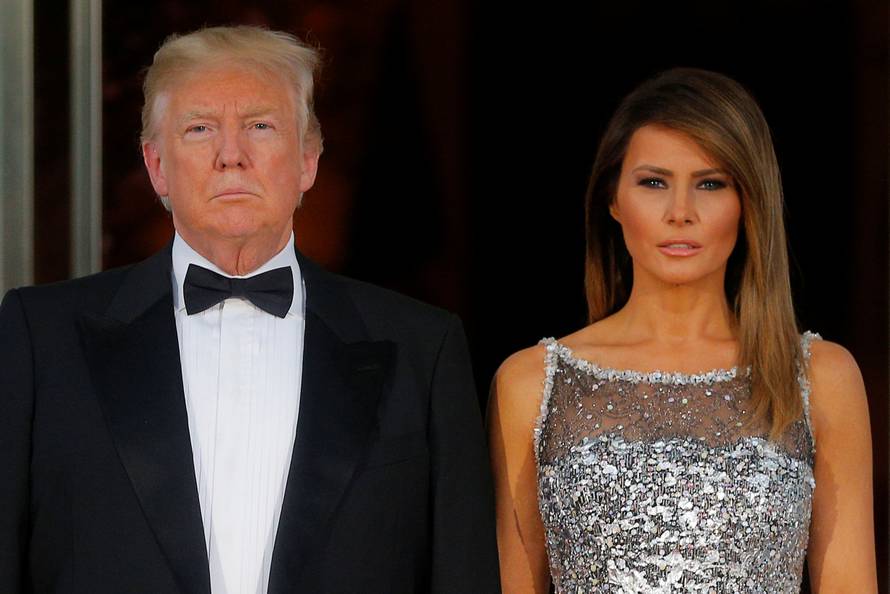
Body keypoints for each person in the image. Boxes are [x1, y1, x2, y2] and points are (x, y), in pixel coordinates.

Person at [0, 26, 499, 594]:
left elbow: (462, 571)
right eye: (199, 129)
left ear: (308, 160)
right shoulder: (40, 339)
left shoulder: (423, 348)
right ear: (157, 166)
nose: (230, 156)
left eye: (260, 126)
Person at [489, 68, 877, 593]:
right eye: (653, 182)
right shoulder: (533, 384)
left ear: (748, 203)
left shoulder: (819, 376)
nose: (680, 213)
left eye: (710, 184)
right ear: (613, 200)